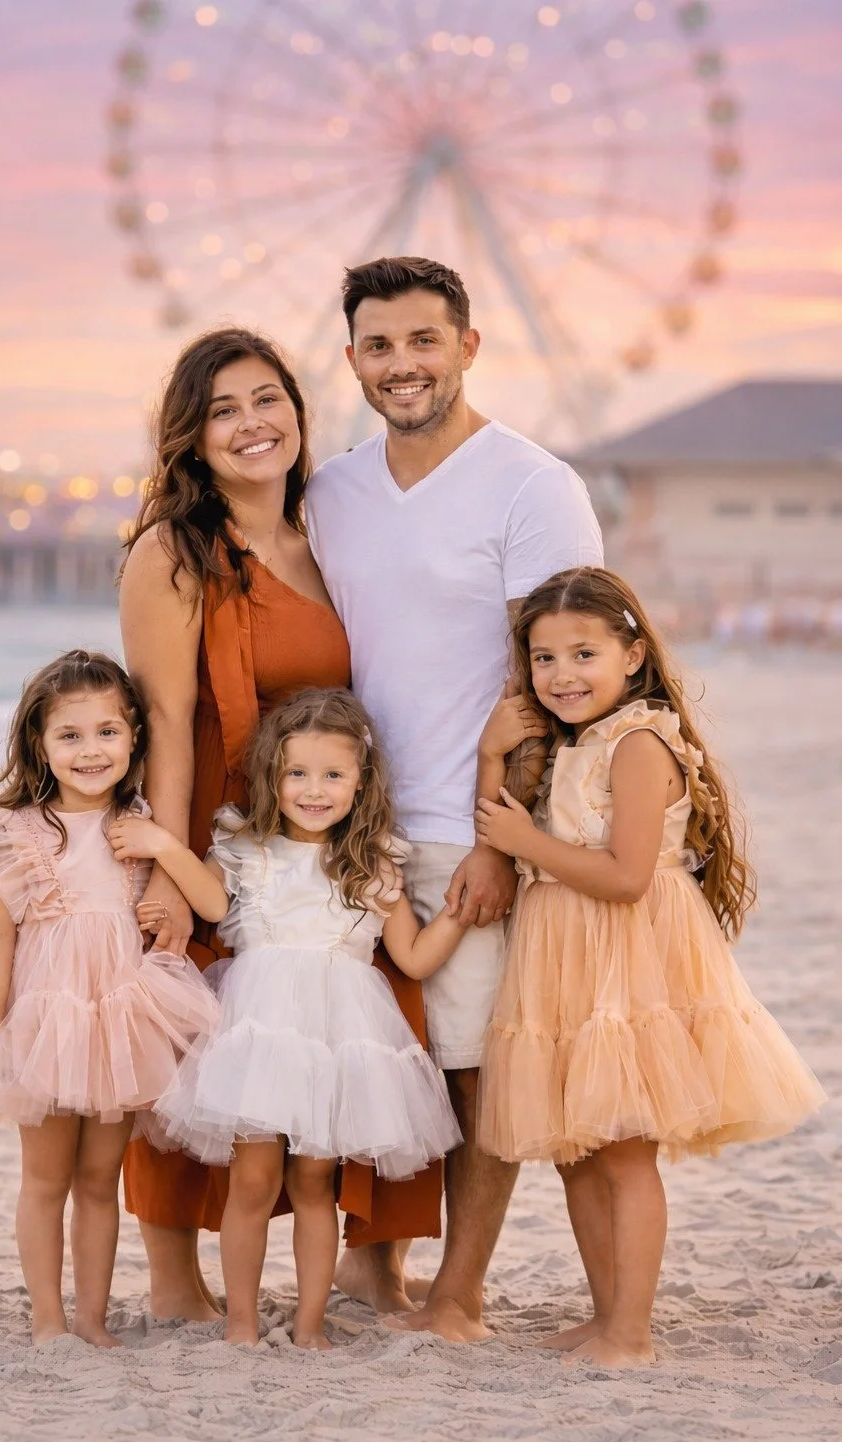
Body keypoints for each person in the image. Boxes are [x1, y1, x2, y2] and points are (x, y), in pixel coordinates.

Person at [305, 255, 605, 1340]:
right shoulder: (332, 489)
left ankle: (461, 1291)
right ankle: (372, 1267)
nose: (402, 364)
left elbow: (555, 681)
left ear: (468, 346)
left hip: (470, 829)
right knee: (369, 1061)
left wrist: (502, 839)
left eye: (423, 340)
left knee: (475, 1071)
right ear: (351, 361)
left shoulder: (534, 485)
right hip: (353, 832)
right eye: (378, 346)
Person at [118, 327, 443, 1324]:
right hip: (217, 816)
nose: (251, 424)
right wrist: (170, 869)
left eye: (267, 400)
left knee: (364, 1028)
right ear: (191, 437)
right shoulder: (174, 553)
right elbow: (167, 720)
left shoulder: (323, 537)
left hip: (322, 816)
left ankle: (370, 1261)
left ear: (299, 415)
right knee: (196, 1039)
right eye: (223, 410)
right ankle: (177, 1277)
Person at [474, 567, 826, 1367]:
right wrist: (492, 754)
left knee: (625, 1150)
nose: (562, 676)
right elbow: (491, 825)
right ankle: (606, 1316)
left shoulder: (638, 743)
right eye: (544, 659)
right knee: (576, 1149)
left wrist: (528, 846)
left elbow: (628, 877)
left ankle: (630, 1332)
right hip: (564, 952)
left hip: (626, 955)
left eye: (584, 653)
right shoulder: (570, 745)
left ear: (633, 655)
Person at [110, 689, 463, 1348]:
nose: (314, 790)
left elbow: (412, 957)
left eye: (334, 775)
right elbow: (211, 904)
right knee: (252, 1178)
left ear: (361, 782)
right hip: (261, 1030)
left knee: (314, 1181)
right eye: (297, 773)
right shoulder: (249, 848)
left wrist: (462, 913)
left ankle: (308, 1326)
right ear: (273, 776)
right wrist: (163, 843)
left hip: (341, 1036)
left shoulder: (371, 863)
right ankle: (242, 1324)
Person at [0, 651, 219, 1346]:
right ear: (39, 744)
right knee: (45, 1178)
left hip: (117, 1018)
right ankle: (49, 1319)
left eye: (107, 731)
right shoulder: (18, 831)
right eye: (69, 736)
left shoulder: (139, 824)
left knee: (101, 1179)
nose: (90, 750)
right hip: (41, 1016)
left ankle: (93, 1320)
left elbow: (207, 900)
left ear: (134, 735)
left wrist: (164, 844)